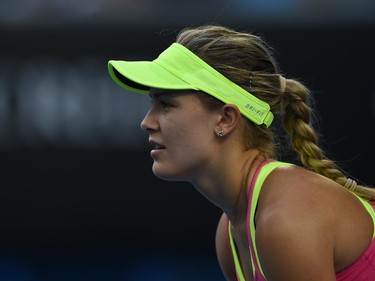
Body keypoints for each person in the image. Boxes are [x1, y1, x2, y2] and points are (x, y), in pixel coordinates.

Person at [107, 24, 375, 281]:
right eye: (152, 103)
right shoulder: (229, 234)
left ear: (225, 119)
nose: (147, 122)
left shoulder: (283, 221)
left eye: (166, 105)